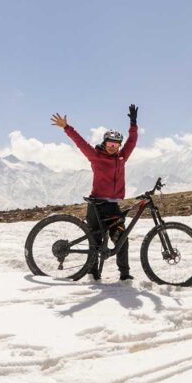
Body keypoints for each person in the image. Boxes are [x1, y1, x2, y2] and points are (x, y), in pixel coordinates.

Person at [51, 105, 138, 281]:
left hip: (113, 207)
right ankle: (92, 273)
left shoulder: (121, 158)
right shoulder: (95, 156)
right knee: (95, 242)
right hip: (96, 206)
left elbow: (132, 141)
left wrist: (133, 123)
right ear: (105, 143)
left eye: (116, 144)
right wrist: (67, 127)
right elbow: (80, 142)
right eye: (110, 143)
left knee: (121, 239)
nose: (113, 147)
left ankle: (125, 275)